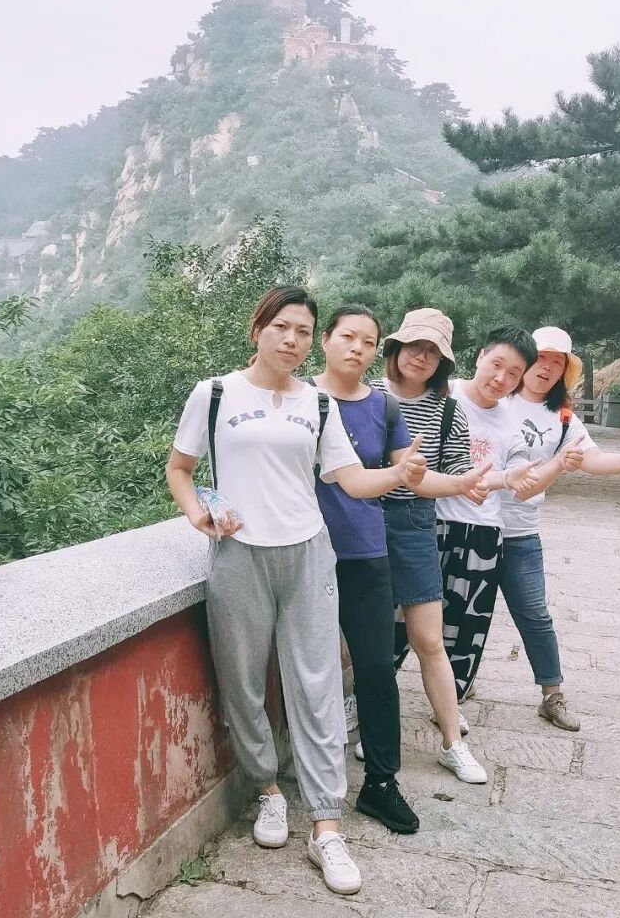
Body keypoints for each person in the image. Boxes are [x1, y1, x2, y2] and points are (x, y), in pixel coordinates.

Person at [165, 286, 426, 896]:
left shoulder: (318, 403)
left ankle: (326, 826)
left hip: (308, 553)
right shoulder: (215, 394)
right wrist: (199, 513)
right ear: (258, 328)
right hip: (239, 554)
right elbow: (180, 469)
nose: (291, 339)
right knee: (243, 680)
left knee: (318, 684)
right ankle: (267, 789)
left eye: (303, 331)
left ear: (312, 341)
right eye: (281, 326)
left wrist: (399, 473)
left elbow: (351, 480)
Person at [374, 308, 533, 785]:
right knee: (365, 635)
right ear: (396, 348)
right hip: (362, 523)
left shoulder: (447, 410)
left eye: (433, 351)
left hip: (415, 525)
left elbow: (458, 470)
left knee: (428, 639)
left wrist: (472, 482)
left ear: (443, 361)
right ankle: (369, 722)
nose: (421, 357)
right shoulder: (367, 396)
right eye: (414, 346)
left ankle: (452, 743)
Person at [484, 327, 620, 731]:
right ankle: (454, 688)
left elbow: (593, 460)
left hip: (520, 532)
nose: (547, 368)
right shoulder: (493, 399)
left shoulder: (563, 419)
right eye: (541, 357)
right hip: (474, 525)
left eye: (558, 362)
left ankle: (552, 695)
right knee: (459, 613)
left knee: (535, 615)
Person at [310, 305, 419, 833]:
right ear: (325, 340)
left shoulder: (385, 406)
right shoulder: (298, 398)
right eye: (347, 337)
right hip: (305, 553)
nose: (357, 348)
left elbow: (407, 473)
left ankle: (381, 782)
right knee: (310, 671)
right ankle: (306, 782)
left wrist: (470, 482)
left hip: (366, 552)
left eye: (369, 341)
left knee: (376, 668)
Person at [433, 326, 541, 702]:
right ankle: (372, 704)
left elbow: (520, 466)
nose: (501, 378)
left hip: (482, 531)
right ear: (480, 356)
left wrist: (525, 475)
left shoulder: (512, 419)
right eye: (497, 364)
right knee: (399, 618)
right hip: (431, 523)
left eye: (513, 373)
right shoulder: (442, 394)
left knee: (466, 625)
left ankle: (451, 702)